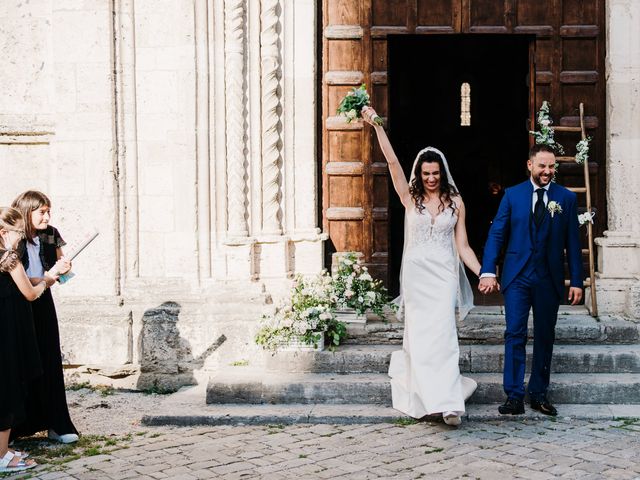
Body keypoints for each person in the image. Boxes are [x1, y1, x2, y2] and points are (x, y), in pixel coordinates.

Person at [362, 106, 481, 426]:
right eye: (426, 173)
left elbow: (463, 246)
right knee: (420, 337)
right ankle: (431, 395)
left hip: (443, 275)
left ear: (442, 173)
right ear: (420, 173)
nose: (430, 178)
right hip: (416, 275)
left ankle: (449, 403)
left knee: (443, 335)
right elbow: (392, 163)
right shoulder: (409, 197)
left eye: (435, 174)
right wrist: (376, 126)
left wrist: (483, 271)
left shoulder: (456, 202)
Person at [479, 144, 583, 416]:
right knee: (514, 333)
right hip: (517, 276)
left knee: (545, 335)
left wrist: (576, 281)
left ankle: (538, 393)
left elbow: (573, 243)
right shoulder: (512, 196)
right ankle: (513, 396)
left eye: (551, 167)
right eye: (542, 166)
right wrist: (488, 269)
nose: (547, 171)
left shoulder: (566, 199)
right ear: (530, 165)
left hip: (548, 278)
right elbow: (497, 235)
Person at [10, 191, 79, 444]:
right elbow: (16, 279)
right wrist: (49, 275)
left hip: (43, 303)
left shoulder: (50, 233)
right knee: (20, 365)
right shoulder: (12, 237)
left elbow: (60, 274)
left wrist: (65, 270)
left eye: (49, 211)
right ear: (27, 212)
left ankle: (57, 424)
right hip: (17, 306)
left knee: (49, 360)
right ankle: (13, 429)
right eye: (42, 212)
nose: (47, 217)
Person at [0, 207, 59, 473]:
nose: (21, 238)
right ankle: (2, 457)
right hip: (9, 331)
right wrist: (46, 282)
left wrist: (43, 277)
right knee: (8, 389)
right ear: (4, 233)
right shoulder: (10, 259)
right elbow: (30, 293)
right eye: (17, 233)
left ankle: (3, 450)